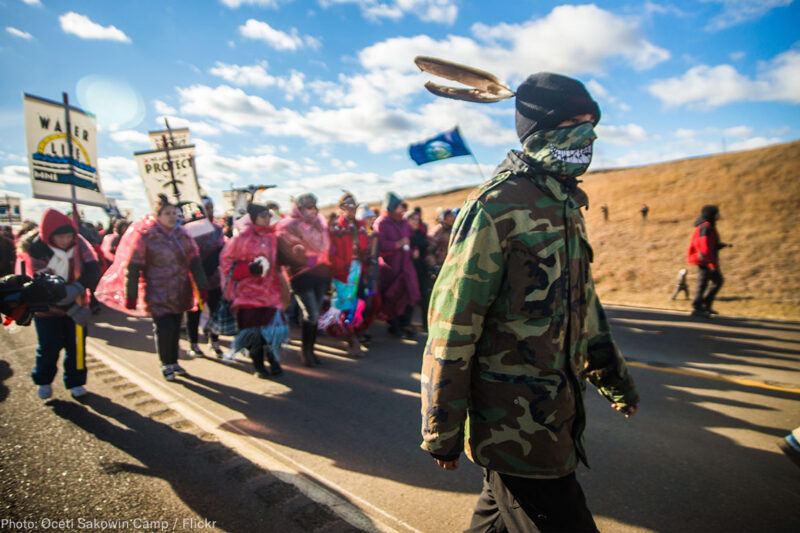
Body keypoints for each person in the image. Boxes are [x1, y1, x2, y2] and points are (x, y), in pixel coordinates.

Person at [420, 72, 640, 532]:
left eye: (592, 122)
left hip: (556, 416)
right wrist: (441, 427)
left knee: (496, 520)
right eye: (576, 122)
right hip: (514, 427)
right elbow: (454, 325)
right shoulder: (496, 207)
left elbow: (586, 309)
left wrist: (614, 378)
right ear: (541, 131)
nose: (590, 134)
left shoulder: (566, 205)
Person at [122, 195, 209, 381]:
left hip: (180, 291)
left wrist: (202, 286)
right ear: (158, 215)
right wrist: (131, 295)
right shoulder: (146, 236)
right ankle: (165, 363)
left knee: (176, 328)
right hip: (157, 292)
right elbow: (134, 266)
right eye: (167, 213)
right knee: (164, 328)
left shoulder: (183, 235)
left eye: (175, 213)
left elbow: (195, 261)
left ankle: (174, 361)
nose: (172, 217)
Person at [17, 209, 101, 399]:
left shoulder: (79, 243)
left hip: (79, 305)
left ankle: (76, 381)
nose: (66, 240)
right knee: (49, 347)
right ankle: (44, 380)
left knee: (77, 346)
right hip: (47, 311)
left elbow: (93, 268)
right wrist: (68, 306)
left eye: (69, 235)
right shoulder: (36, 250)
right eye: (60, 236)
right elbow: (38, 286)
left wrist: (79, 287)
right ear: (49, 236)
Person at [219, 202, 287, 378]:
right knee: (253, 331)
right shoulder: (240, 239)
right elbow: (227, 265)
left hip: (270, 293)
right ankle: (258, 365)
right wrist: (249, 269)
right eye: (263, 215)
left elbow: (279, 260)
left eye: (269, 215)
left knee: (272, 330)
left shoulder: (272, 237)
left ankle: (274, 360)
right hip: (247, 295)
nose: (267, 218)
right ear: (254, 217)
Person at [276, 193, 331, 367]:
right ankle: (306, 351)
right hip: (301, 276)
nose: (312, 210)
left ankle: (311, 349)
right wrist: (305, 257)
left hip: (321, 273)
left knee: (315, 314)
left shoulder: (320, 224)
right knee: (312, 313)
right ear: (299, 208)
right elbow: (287, 249)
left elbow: (327, 246)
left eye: (314, 206)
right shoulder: (289, 225)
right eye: (308, 207)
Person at [328, 192, 371, 356]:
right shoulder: (335, 228)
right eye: (348, 206)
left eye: (355, 206)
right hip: (342, 271)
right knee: (345, 304)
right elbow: (331, 252)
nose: (352, 209)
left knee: (359, 302)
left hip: (358, 269)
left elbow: (365, 245)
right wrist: (342, 265)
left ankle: (353, 334)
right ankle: (352, 339)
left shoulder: (359, 226)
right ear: (341, 208)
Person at [374, 193, 420, 339]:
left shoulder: (404, 222)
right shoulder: (382, 223)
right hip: (391, 268)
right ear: (391, 207)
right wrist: (397, 244)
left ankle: (405, 324)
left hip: (406, 266)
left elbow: (410, 239)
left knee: (410, 294)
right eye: (400, 206)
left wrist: (413, 250)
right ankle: (394, 326)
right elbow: (380, 246)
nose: (403, 209)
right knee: (392, 297)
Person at [186, 198, 226, 358]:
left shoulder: (217, 229)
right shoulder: (189, 229)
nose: (208, 211)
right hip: (195, 277)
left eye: (210, 207)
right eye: (205, 208)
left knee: (215, 310)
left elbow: (222, 250)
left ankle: (214, 341)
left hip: (214, 277)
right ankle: (193, 343)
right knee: (194, 311)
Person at [687, 204, 729, 318]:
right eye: (717, 213)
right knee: (704, 283)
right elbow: (703, 246)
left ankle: (705, 305)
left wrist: (719, 245)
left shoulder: (708, 226)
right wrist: (710, 263)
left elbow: (709, 244)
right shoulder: (705, 227)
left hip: (708, 259)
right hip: (704, 260)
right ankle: (697, 307)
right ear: (711, 215)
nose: (719, 215)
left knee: (716, 281)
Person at [406, 209, 433, 333]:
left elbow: (426, 243)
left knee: (425, 295)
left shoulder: (420, 233)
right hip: (410, 269)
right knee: (410, 296)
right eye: (413, 219)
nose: (416, 222)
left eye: (417, 219)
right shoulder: (405, 234)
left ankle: (426, 324)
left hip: (421, 268)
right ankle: (407, 323)